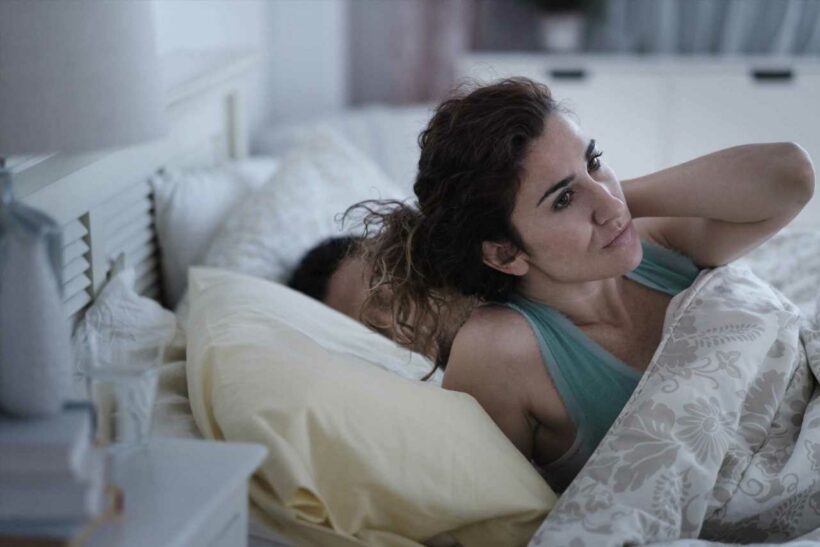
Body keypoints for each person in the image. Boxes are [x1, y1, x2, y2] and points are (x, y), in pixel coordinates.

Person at [351, 77, 815, 492]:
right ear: (505, 253)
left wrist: (613, 198)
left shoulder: (656, 244)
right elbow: (479, 513)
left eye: (594, 161)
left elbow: (791, 174)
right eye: (563, 199)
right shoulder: (499, 349)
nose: (609, 205)